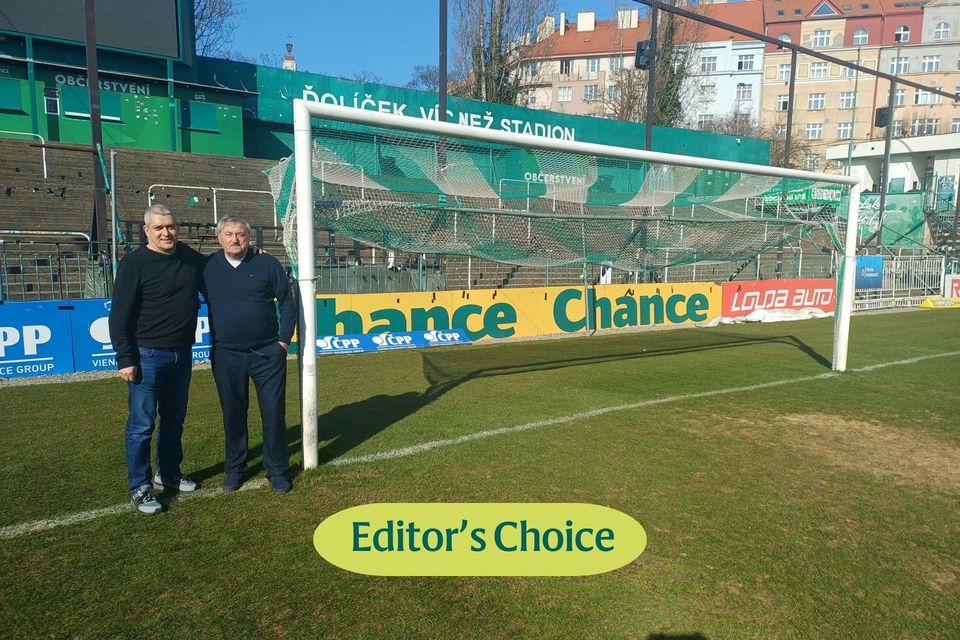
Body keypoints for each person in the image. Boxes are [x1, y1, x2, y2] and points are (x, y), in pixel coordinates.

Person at [109, 204, 203, 515]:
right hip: (146, 355)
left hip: (182, 353)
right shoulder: (134, 263)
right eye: (159, 227)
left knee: (174, 420)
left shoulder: (188, 257)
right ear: (147, 231)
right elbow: (119, 315)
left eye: (171, 226)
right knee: (141, 425)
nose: (166, 232)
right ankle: (140, 486)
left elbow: (217, 269)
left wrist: (247, 249)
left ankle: (169, 474)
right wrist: (126, 358)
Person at [203, 216, 296, 494]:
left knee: (272, 412)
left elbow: (288, 302)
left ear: (249, 238)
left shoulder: (266, 263)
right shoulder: (206, 267)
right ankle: (235, 469)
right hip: (226, 354)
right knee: (233, 414)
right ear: (219, 237)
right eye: (229, 234)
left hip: (267, 353)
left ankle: (277, 470)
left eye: (241, 235)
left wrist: (282, 342)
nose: (235, 239)